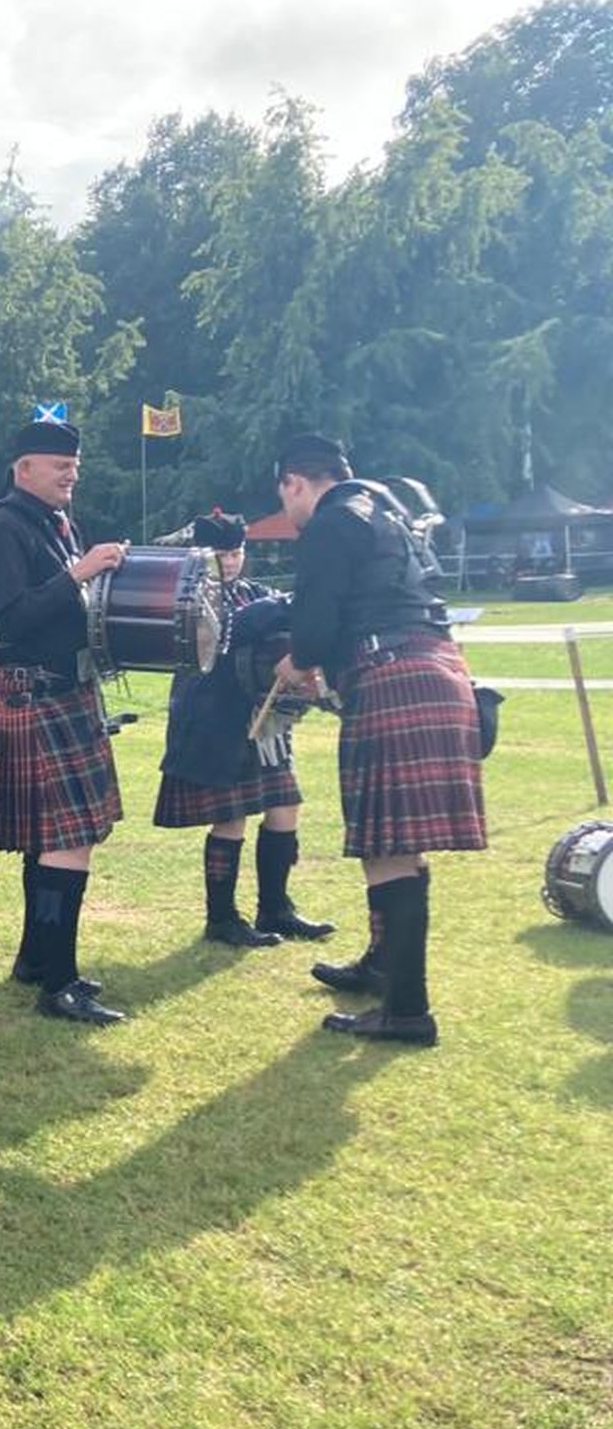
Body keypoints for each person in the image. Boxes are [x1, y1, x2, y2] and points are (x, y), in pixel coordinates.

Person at [271, 434, 485, 1045]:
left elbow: (314, 628)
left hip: (392, 678)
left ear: (295, 482)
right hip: (438, 670)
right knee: (400, 844)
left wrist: (298, 661)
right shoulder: (390, 513)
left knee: (387, 846)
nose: (288, 510)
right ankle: (384, 967)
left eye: (284, 497)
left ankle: (407, 1011)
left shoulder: (331, 522)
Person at [0, 415, 129, 1027]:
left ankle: (37, 959)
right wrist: (78, 573)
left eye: (75, 467)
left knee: (49, 840)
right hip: (39, 694)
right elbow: (9, 618)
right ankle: (59, 984)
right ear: (24, 468)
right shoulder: (0, 528)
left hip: (63, 691)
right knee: (68, 840)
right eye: (61, 467)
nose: (71, 476)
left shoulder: (55, 523)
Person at [152, 513, 335, 948]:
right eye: (220, 553)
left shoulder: (256, 593)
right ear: (201, 555)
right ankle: (222, 919)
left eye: (236, 552)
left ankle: (275, 908)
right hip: (213, 720)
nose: (230, 561)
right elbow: (237, 630)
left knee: (285, 807)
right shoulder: (189, 600)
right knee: (231, 818)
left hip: (263, 723)